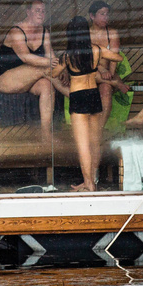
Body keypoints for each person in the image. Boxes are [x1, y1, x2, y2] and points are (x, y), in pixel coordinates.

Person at [0, 0, 62, 136]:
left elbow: (51, 57)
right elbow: (26, 57)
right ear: (28, 12)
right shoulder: (16, 31)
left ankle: (45, 135)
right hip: (6, 81)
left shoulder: (45, 32)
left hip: (30, 80)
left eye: (43, 11)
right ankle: (71, 94)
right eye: (37, 10)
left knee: (47, 86)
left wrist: (60, 69)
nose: (41, 14)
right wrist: (54, 66)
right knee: (41, 68)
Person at [62, 15, 108, 190]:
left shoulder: (68, 56)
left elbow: (53, 73)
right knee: (94, 143)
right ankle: (91, 181)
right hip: (94, 95)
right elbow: (117, 58)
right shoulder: (96, 50)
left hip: (79, 97)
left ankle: (89, 184)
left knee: (83, 146)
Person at [87, 0, 131, 116]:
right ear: (92, 16)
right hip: (90, 72)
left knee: (106, 89)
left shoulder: (112, 33)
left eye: (107, 14)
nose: (106, 17)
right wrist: (102, 70)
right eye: (102, 14)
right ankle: (116, 83)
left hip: (107, 74)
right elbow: (86, 59)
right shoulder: (86, 34)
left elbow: (114, 58)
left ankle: (98, 131)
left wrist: (110, 73)